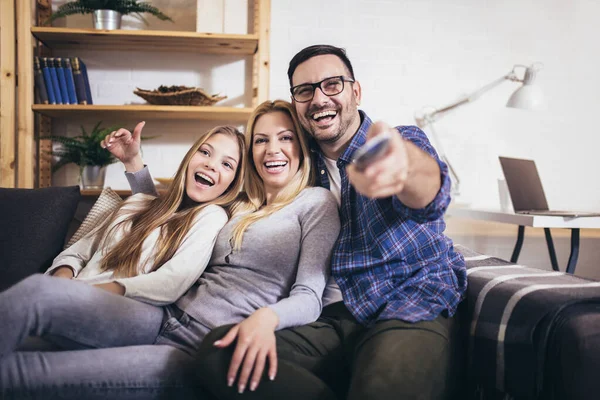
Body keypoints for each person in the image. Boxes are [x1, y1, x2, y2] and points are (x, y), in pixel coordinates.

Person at [0, 100, 341, 400]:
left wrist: (266, 319)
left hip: (194, 350)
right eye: (261, 140)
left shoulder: (315, 203)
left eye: (286, 138)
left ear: (302, 146)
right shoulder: (240, 202)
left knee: (26, 372)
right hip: (157, 316)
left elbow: (310, 295)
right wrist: (135, 165)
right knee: (37, 293)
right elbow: (167, 213)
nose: (272, 149)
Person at [193, 45, 468, 400]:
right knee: (223, 349)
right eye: (305, 90)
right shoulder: (298, 169)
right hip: (331, 320)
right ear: (296, 104)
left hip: (407, 304)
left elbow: (431, 195)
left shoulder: (397, 143)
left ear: (355, 91)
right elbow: (211, 193)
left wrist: (404, 168)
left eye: (332, 84)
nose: (319, 98)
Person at [45, 123, 245, 304]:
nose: (211, 164)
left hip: (114, 306)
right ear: (189, 157)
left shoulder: (212, 216)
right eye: (205, 152)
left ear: (232, 184)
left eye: (227, 164)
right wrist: (61, 285)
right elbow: (77, 252)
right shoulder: (139, 201)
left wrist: (84, 293)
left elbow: (170, 282)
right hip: (68, 297)